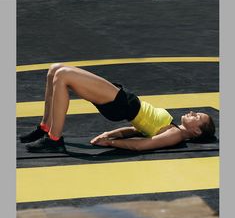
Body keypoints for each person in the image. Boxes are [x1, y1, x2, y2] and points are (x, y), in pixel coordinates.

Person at [20, 63, 216, 153]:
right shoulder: (171, 127)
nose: (192, 112)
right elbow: (135, 131)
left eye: (197, 116)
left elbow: (142, 145)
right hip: (121, 100)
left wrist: (110, 144)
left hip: (121, 103)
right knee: (55, 69)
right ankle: (45, 127)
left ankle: (54, 139)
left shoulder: (175, 135)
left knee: (62, 75)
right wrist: (109, 134)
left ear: (197, 131)